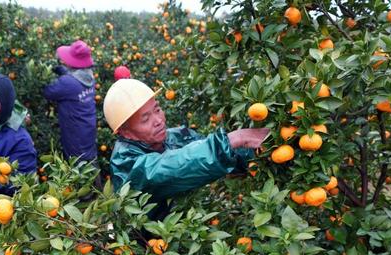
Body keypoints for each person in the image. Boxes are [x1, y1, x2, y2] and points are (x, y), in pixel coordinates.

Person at [103, 78, 269, 216]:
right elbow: (170, 168)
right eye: (145, 119)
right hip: (156, 248)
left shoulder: (176, 136)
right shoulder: (125, 164)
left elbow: (219, 154)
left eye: (157, 109)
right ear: (125, 132)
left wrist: (261, 150)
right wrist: (235, 138)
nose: (159, 120)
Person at [43, 40, 97, 162]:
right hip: (88, 133)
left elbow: (46, 91)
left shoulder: (68, 83)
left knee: (77, 170)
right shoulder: (89, 77)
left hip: (74, 139)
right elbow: (74, 78)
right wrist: (61, 70)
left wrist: (43, 72)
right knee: (90, 164)